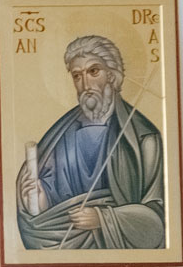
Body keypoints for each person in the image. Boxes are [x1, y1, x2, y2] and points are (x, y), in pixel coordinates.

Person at [15, 33, 165, 251]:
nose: (85, 84)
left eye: (94, 71)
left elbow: (157, 218)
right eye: (77, 75)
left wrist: (103, 218)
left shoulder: (143, 138)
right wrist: (41, 199)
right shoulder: (62, 135)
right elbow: (49, 202)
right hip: (64, 242)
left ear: (112, 75)